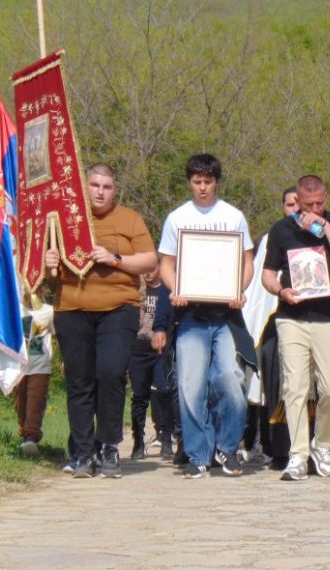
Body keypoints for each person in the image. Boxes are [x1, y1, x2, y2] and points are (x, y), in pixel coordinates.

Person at [45, 162, 158, 479]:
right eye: (94, 185)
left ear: (114, 190)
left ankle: (109, 445)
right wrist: (51, 265)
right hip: (71, 308)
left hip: (118, 309)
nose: (100, 191)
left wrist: (116, 259)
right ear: (85, 187)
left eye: (106, 187)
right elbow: (49, 279)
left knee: (110, 373)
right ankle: (82, 453)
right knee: (79, 380)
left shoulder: (129, 219)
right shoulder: (65, 220)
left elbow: (150, 260)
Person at [159, 153, 256, 480]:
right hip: (190, 316)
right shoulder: (177, 218)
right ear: (190, 182)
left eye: (208, 182)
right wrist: (176, 289)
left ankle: (227, 448)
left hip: (226, 316)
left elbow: (246, 262)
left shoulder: (233, 216)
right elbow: (166, 265)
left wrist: (239, 290)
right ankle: (198, 454)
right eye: (197, 182)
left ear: (217, 182)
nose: (202, 188)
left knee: (231, 379)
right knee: (190, 385)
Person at [262, 174, 330, 481]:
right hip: (292, 319)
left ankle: (323, 445)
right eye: (308, 204)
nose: (315, 208)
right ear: (297, 202)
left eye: (320, 203)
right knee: (295, 387)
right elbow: (267, 274)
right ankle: (298, 454)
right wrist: (280, 290)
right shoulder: (281, 230)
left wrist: (323, 225)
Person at [242, 187, 299, 468]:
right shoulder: (271, 239)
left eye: (299, 204)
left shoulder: (323, 235)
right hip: (275, 323)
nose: (295, 209)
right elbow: (257, 291)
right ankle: (279, 449)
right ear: (283, 207)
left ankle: (311, 447)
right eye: (290, 204)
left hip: (313, 321)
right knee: (275, 387)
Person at [128, 263, 176, 460]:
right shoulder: (135, 290)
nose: (148, 274)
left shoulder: (166, 289)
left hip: (160, 351)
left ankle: (166, 438)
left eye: (152, 270)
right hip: (137, 349)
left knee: (163, 392)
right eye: (145, 271)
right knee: (139, 396)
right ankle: (138, 440)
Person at [14, 294, 54, 457]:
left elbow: (59, 336)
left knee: (35, 401)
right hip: (18, 366)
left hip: (41, 365)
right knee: (21, 403)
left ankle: (32, 436)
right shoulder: (15, 309)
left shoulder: (49, 311)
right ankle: (25, 437)